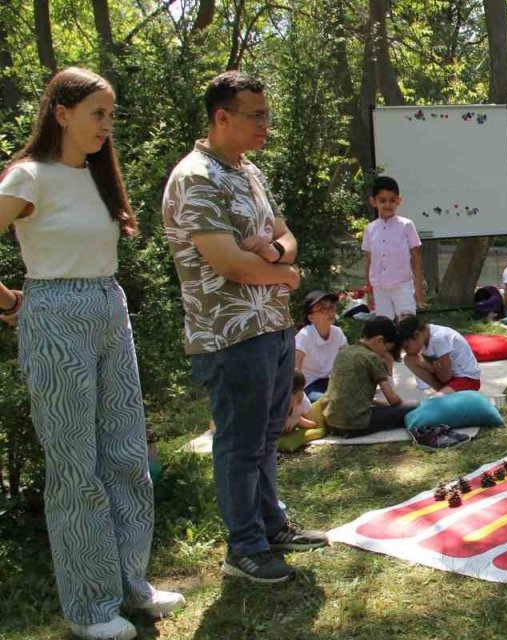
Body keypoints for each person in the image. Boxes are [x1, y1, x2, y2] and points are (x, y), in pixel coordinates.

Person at [0, 67, 184, 640]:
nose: (108, 125)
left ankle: (131, 582)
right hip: (55, 315)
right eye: (97, 114)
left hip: (108, 307)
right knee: (76, 466)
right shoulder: (28, 176)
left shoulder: (96, 176)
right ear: (62, 112)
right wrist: (5, 298)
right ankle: (87, 607)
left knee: (126, 456)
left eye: (110, 115)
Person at [163, 70, 326, 585]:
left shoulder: (248, 171)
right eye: (256, 116)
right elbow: (228, 264)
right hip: (229, 335)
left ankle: (271, 527)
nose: (266, 125)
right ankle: (245, 547)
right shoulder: (195, 177)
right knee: (238, 442)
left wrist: (277, 254)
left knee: (265, 435)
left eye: (267, 114)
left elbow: (284, 234)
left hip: (271, 326)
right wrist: (287, 274)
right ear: (221, 117)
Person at [322, 316, 418, 436]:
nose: (384, 355)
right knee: (414, 406)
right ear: (379, 340)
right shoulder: (372, 357)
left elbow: (350, 394)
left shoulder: (343, 352)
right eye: (386, 350)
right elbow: (393, 400)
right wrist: (401, 406)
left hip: (331, 423)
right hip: (355, 425)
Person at [363, 175, 425, 319]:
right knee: (385, 326)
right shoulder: (370, 229)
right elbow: (368, 261)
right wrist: (369, 290)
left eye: (392, 200)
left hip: (403, 285)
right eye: (382, 200)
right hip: (379, 288)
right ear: (373, 201)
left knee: (407, 324)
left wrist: (418, 288)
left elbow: (416, 256)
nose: (387, 205)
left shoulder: (406, 225)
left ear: (399, 201)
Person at [396, 315, 482, 394]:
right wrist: (436, 369)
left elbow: (445, 377)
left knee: (436, 401)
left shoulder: (439, 339)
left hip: (467, 379)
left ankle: (445, 395)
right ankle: (443, 392)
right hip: (448, 376)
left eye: (407, 347)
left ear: (416, 334)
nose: (407, 351)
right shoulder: (423, 336)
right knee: (409, 359)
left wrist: (437, 370)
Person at [295, 290, 348, 401]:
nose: (330, 312)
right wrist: (297, 394)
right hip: (308, 386)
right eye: (323, 309)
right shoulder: (305, 336)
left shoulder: (337, 332)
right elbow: (295, 370)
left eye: (332, 307)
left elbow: (350, 358)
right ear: (311, 317)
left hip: (329, 381)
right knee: (329, 401)